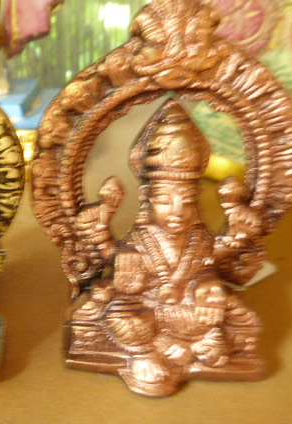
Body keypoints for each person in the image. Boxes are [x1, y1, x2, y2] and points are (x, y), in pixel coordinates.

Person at [68, 100, 261, 396]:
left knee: (224, 309)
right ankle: (148, 352)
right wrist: (101, 236)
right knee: (118, 313)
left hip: (185, 311)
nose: (177, 210)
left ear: (197, 198)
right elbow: (122, 273)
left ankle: (195, 345)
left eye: (187, 200)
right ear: (147, 199)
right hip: (145, 311)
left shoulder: (200, 239)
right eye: (165, 200)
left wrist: (215, 278)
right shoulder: (140, 239)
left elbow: (209, 265)